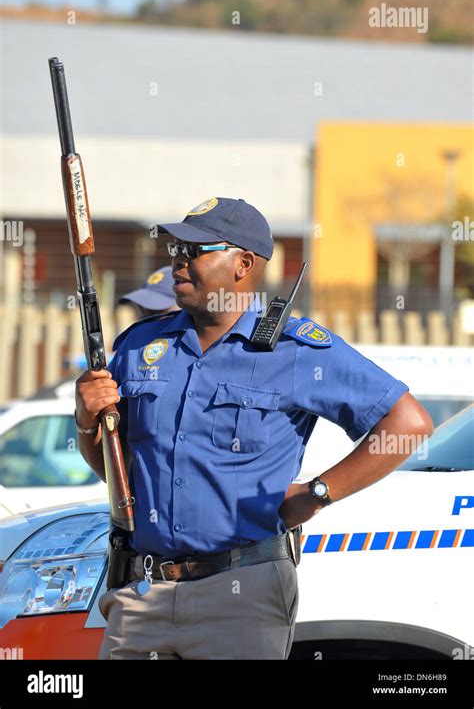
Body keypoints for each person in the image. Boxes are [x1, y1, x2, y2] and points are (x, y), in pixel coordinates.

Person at [75, 196, 433, 660]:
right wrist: (86, 424)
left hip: (240, 596)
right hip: (143, 596)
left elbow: (408, 422)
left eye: (197, 249)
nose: (179, 259)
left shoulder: (296, 350)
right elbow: (119, 471)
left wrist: (319, 493)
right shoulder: (141, 345)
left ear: (243, 264)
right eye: (177, 247)